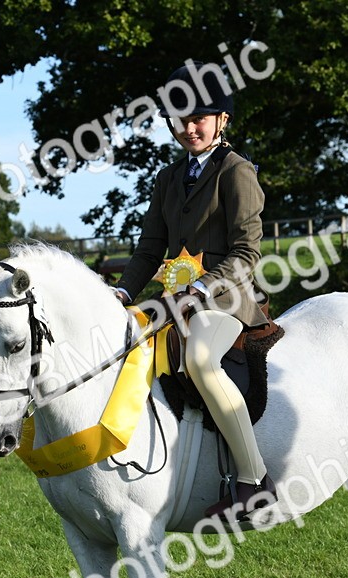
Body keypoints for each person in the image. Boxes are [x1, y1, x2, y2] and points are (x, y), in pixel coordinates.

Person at [112, 62, 277, 522]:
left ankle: (254, 480)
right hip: (171, 302)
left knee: (201, 359)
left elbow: (246, 252)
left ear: (222, 119)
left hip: (227, 300)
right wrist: (122, 293)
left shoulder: (236, 172)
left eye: (199, 118)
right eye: (180, 118)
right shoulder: (167, 178)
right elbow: (150, 248)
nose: (188, 128)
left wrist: (200, 289)